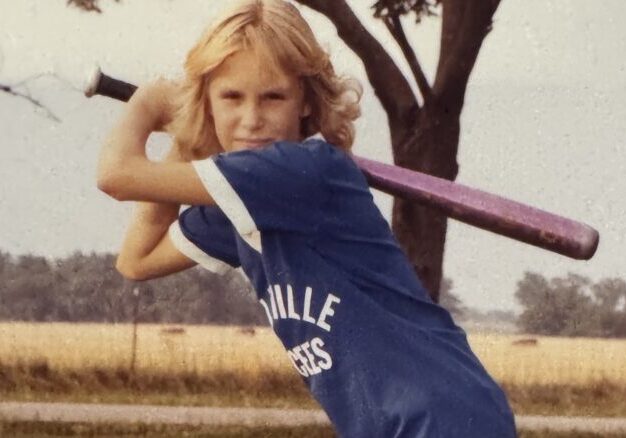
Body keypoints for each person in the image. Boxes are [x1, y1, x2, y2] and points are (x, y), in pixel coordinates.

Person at [97, 0, 517, 436]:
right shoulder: (247, 204)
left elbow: (116, 176)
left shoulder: (301, 171)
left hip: (441, 418)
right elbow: (137, 259)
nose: (251, 120)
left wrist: (149, 105)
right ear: (209, 100)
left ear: (304, 101)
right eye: (231, 97)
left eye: (273, 97)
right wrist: (187, 135)